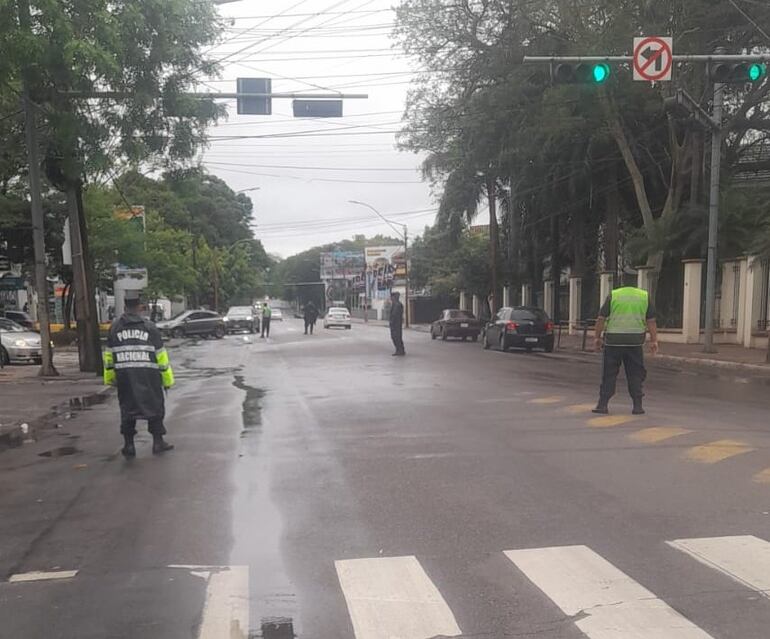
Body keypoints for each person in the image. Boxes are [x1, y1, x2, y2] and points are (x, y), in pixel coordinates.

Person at [103, 292, 175, 458]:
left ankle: (129, 445)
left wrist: (110, 378)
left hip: (125, 377)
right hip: (149, 376)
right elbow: (161, 357)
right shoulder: (149, 327)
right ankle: (158, 442)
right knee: (155, 408)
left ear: (125, 305)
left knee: (127, 409)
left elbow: (109, 355)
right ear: (140, 306)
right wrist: (167, 381)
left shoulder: (115, 327)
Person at [593, 279, 659, 415]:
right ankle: (637, 406)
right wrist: (654, 341)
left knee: (609, 373)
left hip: (613, 341)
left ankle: (603, 404)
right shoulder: (644, 296)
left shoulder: (614, 295)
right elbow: (651, 321)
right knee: (635, 373)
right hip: (635, 342)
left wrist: (597, 338)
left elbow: (601, 318)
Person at [389, 291, 405, 356]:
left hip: (396, 324)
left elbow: (394, 315)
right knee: (396, 337)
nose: (391, 299)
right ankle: (399, 350)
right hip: (395, 324)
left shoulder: (397, 305)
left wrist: (392, 322)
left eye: (392, 297)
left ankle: (400, 350)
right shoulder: (394, 304)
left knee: (396, 337)